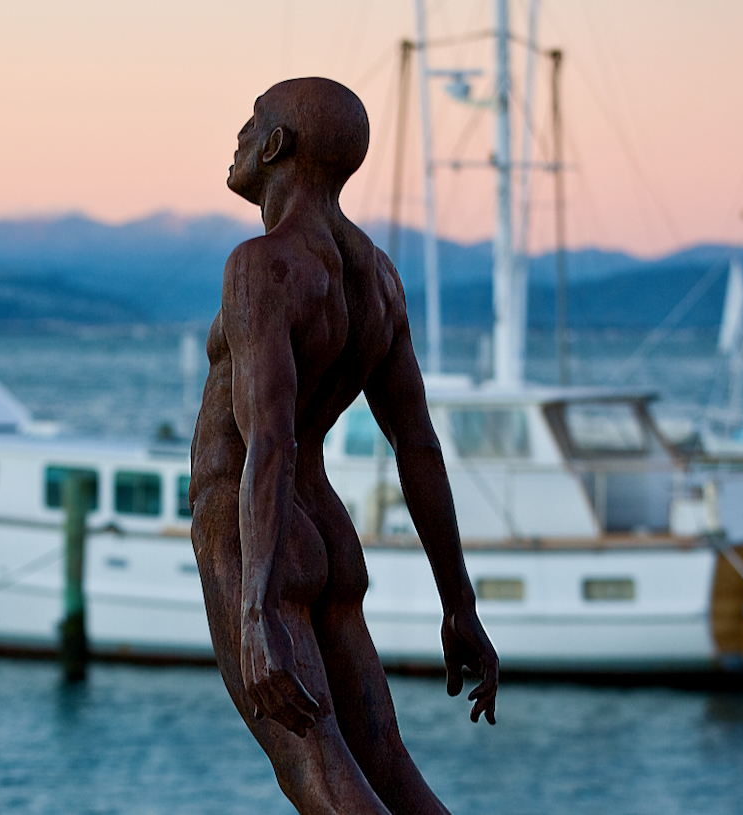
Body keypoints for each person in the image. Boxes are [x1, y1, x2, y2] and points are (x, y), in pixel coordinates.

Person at [188, 77, 500, 814]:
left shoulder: (260, 266)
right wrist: (460, 604)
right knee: (387, 764)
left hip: (250, 528)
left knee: (313, 765)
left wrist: (256, 608)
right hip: (324, 529)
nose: (237, 135)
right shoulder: (378, 280)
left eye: (252, 121)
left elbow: (266, 440)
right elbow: (416, 444)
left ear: (276, 145)